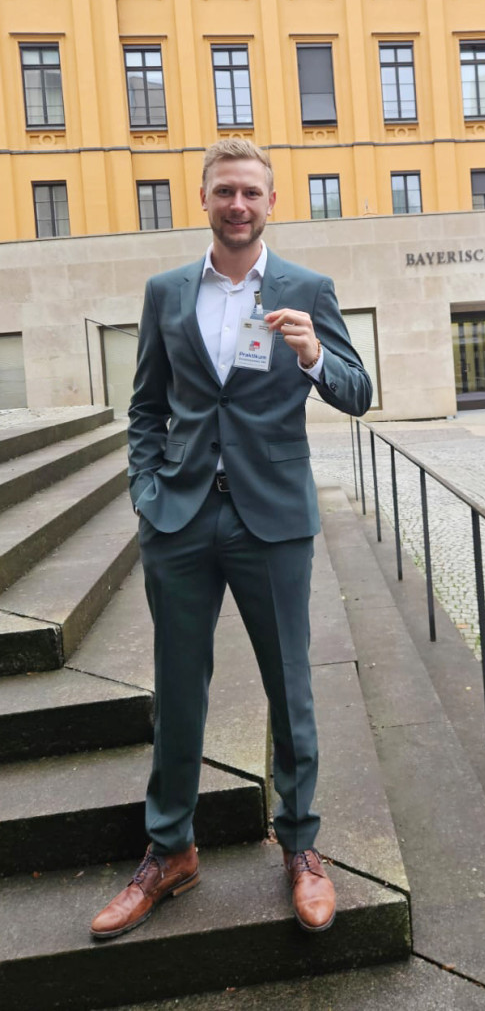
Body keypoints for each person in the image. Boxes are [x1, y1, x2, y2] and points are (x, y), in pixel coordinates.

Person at [90, 138, 372, 940]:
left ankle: (301, 847)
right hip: (179, 520)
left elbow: (359, 392)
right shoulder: (167, 292)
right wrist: (148, 494)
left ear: (270, 202)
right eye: (225, 192)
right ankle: (169, 849)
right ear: (204, 199)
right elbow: (146, 405)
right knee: (178, 688)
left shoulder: (306, 290)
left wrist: (315, 353)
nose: (238, 204)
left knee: (291, 687)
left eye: (251, 191)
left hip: (273, 520)